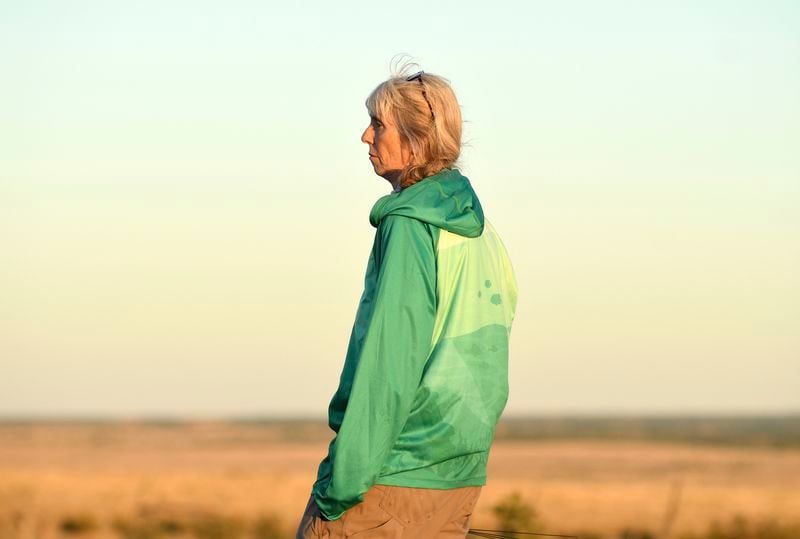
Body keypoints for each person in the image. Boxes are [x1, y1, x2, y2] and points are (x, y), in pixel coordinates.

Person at [296, 64, 518, 539]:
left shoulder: (410, 225)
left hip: (388, 479)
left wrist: (340, 489)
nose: (364, 136)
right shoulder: (481, 234)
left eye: (378, 124)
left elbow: (389, 364)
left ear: (416, 141)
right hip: (456, 478)